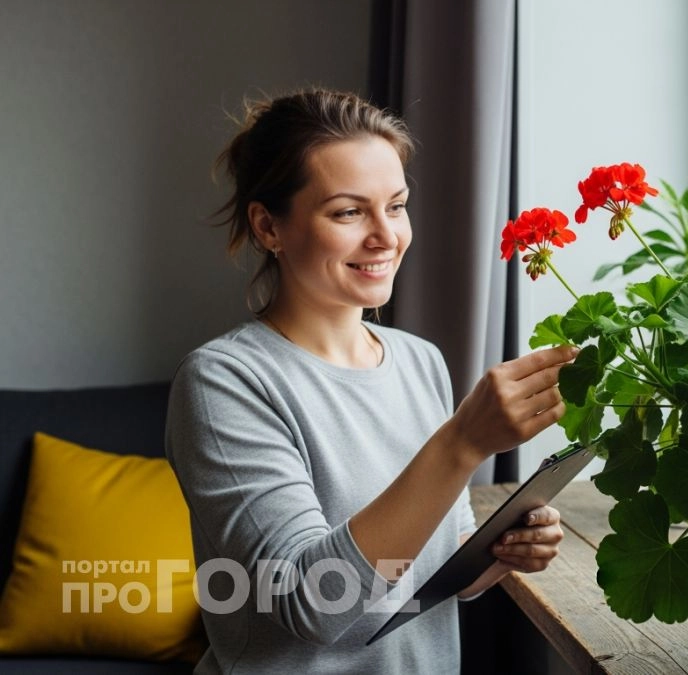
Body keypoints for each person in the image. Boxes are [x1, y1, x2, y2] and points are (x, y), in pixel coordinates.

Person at [165, 88, 574, 673]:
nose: (386, 236)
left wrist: (500, 552)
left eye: (398, 205)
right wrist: (461, 443)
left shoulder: (420, 361)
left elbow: (436, 571)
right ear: (268, 226)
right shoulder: (223, 383)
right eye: (348, 212)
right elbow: (315, 603)